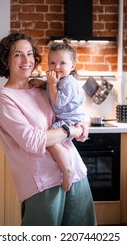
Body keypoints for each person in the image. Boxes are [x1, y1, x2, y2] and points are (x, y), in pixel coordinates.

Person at [0, 32, 97, 226]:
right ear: (5, 60)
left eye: (30, 54)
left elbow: (68, 110)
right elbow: (32, 141)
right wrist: (71, 131)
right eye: (17, 55)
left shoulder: (41, 88)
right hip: (44, 184)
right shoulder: (5, 99)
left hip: (75, 172)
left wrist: (82, 124)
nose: (26, 60)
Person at [46, 40, 86, 192]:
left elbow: (59, 101)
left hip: (71, 120)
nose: (56, 67)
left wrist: (50, 84)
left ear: (72, 66)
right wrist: (44, 83)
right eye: (52, 62)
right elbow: (53, 89)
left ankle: (67, 169)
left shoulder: (68, 82)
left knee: (50, 138)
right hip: (68, 118)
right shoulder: (60, 80)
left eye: (62, 63)